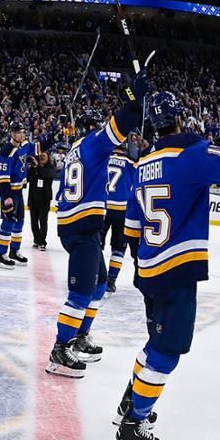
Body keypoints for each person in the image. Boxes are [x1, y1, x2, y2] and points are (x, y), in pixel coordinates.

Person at [111, 93, 220, 440]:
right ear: (179, 119)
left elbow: (132, 231)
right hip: (177, 271)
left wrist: (147, 264)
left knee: (156, 341)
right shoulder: (192, 153)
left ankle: (130, 399)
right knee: (168, 351)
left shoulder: (143, 163)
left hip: (149, 270)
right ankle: (132, 424)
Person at [47, 71, 150, 378]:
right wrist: (134, 99)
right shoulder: (94, 144)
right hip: (82, 226)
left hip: (78, 223)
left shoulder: (76, 150)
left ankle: (78, 336)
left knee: (99, 284)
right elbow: (121, 124)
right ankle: (59, 349)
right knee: (80, 293)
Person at [0, 123, 36, 268]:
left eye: (23, 132)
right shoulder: (7, 151)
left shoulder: (24, 145)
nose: (22, 134)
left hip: (18, 191)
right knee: (8, 223)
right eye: (19, 132)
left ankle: (14, 251)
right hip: (9, 192)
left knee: (19, 223)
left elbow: (38, 147)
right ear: (12, 134)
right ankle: (0, 255)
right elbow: (3, 176)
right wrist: (6, 196)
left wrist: (55, 134)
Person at [101, 143, 135, 292]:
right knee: (118, 248)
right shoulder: (130, 163)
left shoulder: (103, 159)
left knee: (95, 244)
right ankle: (111, 279)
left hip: (102, 208)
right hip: (122, 211)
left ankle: (96, 275)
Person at [27, 151, 56, 250]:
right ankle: (36, 240)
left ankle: (42, 241)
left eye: (44, 156)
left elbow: (47, 174)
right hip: (33, 198)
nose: (42, 157)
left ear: (48, 157)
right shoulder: (34, 168)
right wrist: (33, 167)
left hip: (44, 199)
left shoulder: (50, 168)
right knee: (34, 221)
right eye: (40, 156)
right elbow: (28, 178)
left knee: (43, 221)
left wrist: (38, 166)